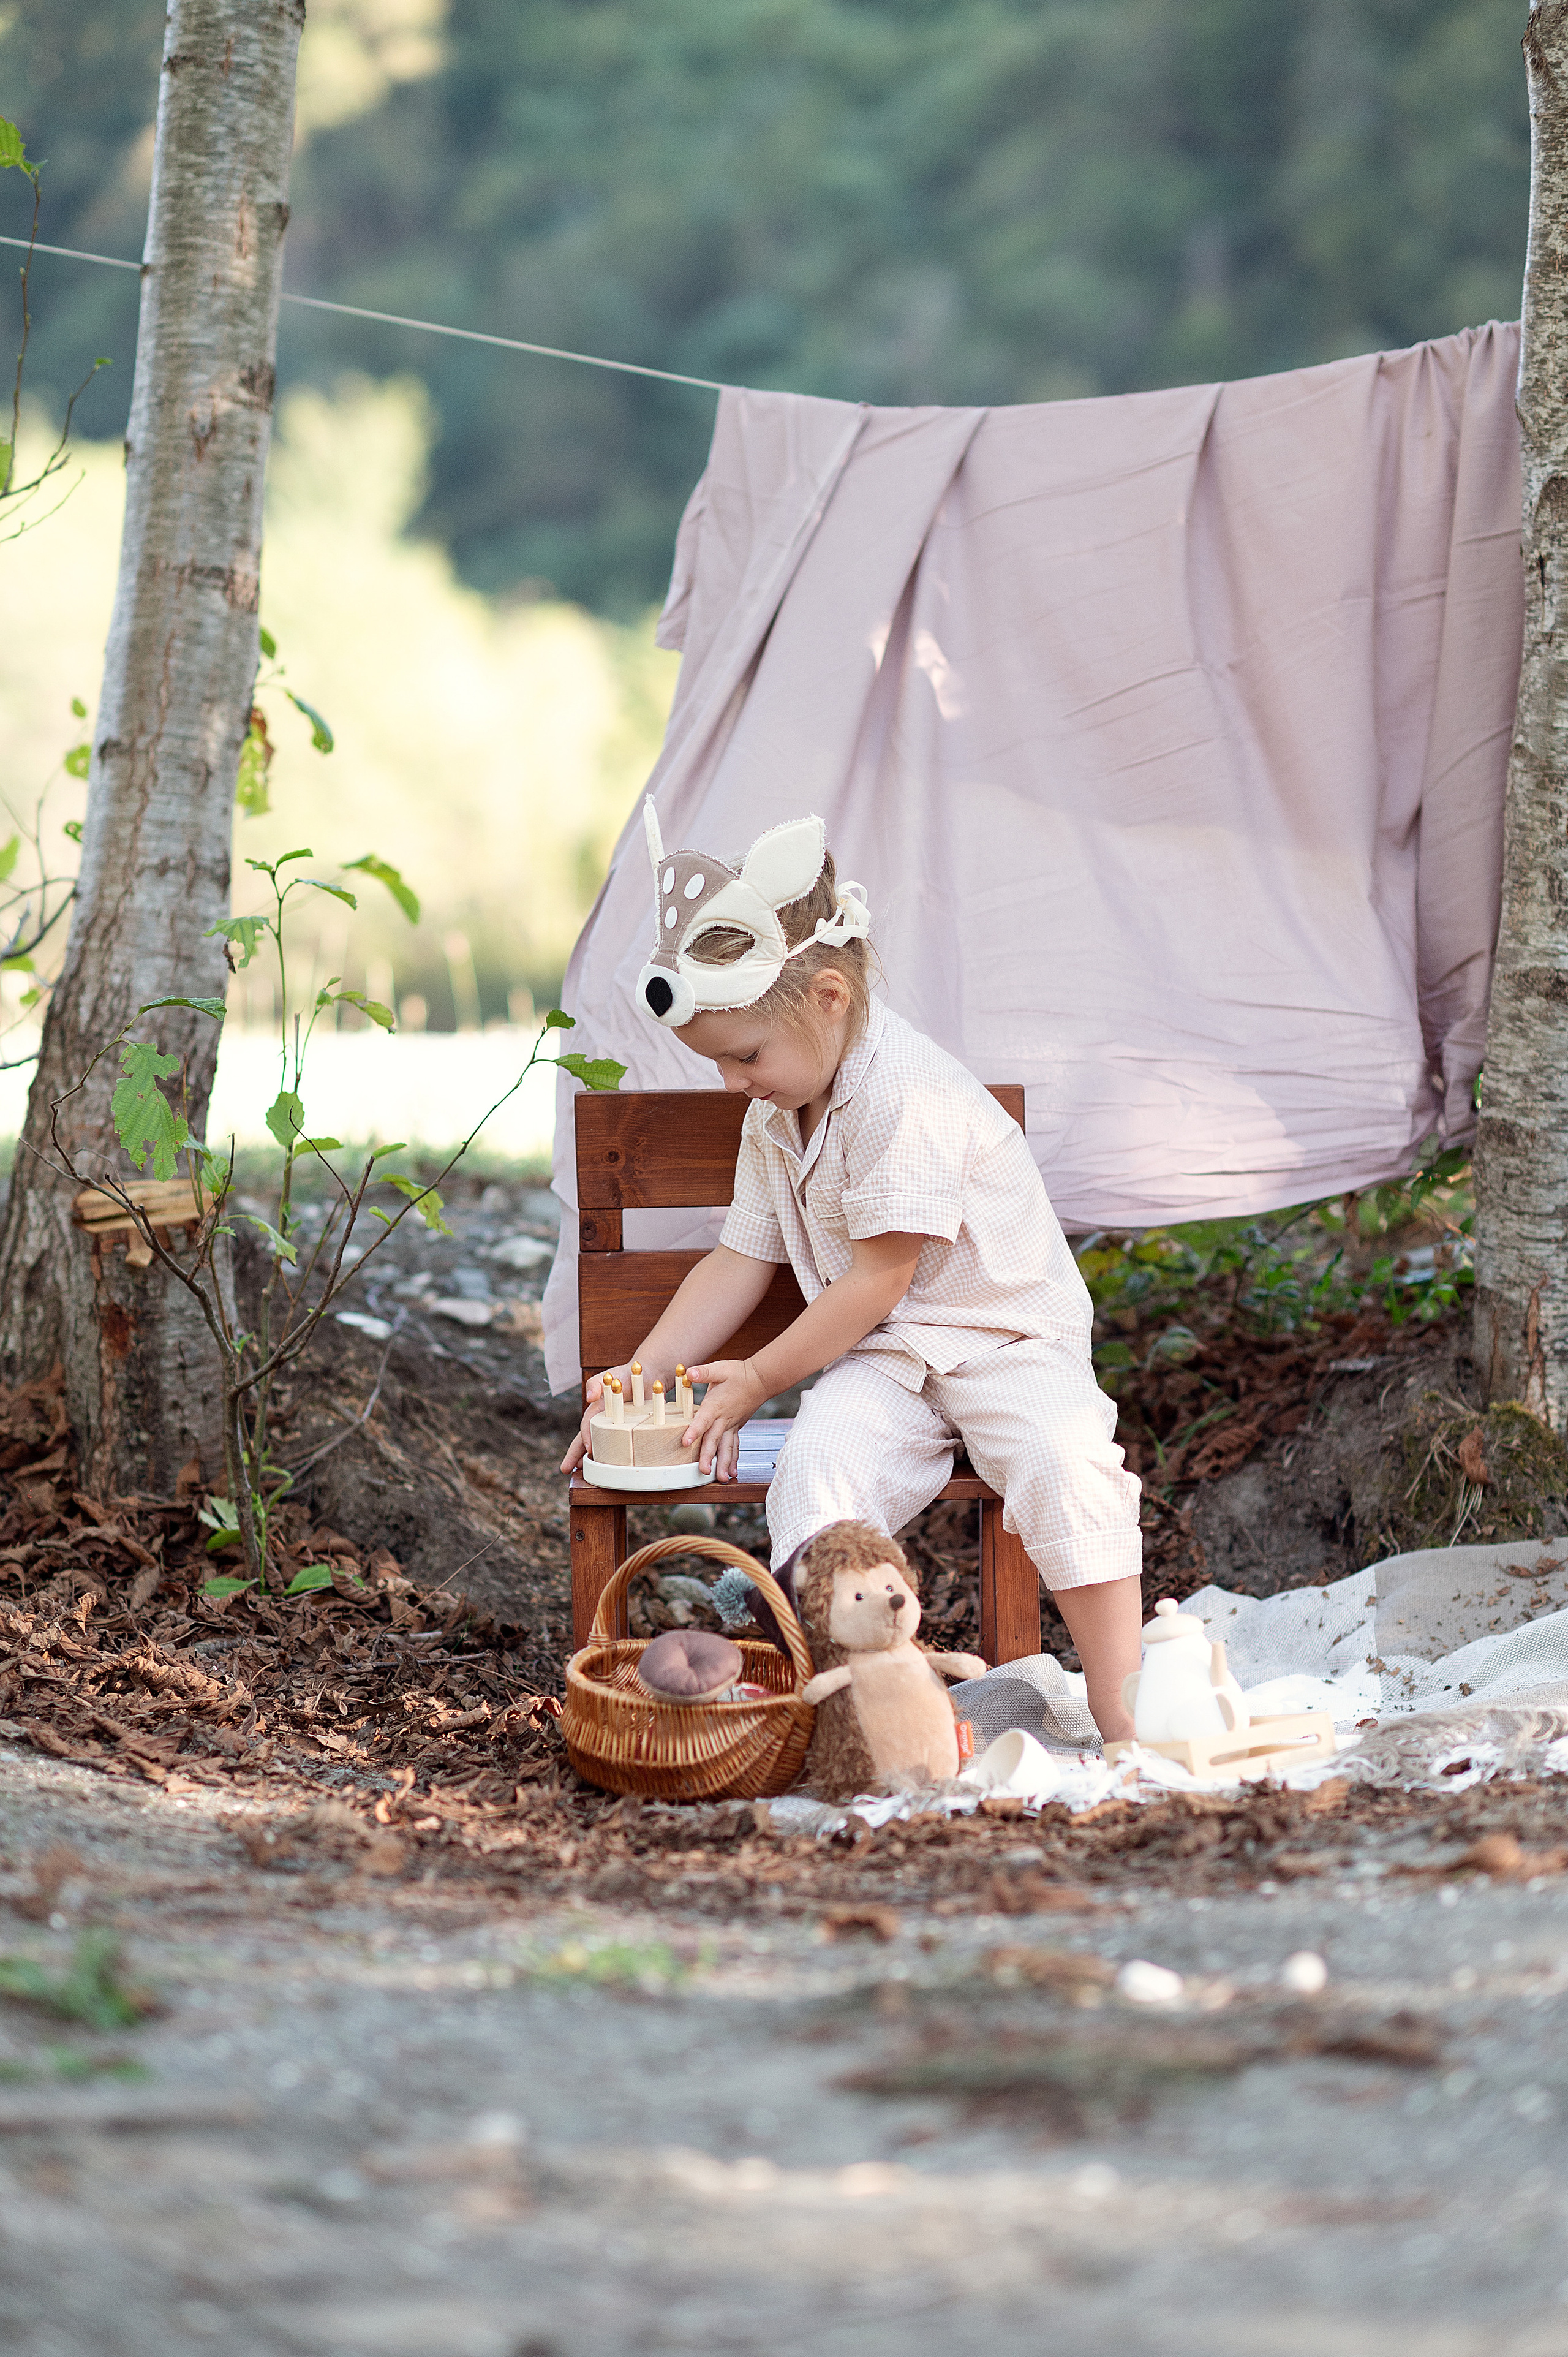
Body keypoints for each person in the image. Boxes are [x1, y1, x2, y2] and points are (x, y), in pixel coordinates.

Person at [562, 804, 1144, 1739]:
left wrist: (756, 1378)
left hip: (1003, 1340)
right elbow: (737, 1259)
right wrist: (645, 1371)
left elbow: (877, 1278)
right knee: (819, 1462)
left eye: (746, 1056)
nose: (732, 1083)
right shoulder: (774, 1111)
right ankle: (872, 1712)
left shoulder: (905, 1094)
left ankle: (1124, 1711)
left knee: (1063, 1460)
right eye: (720, 1063)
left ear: (829, 997)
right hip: (889, 1355)